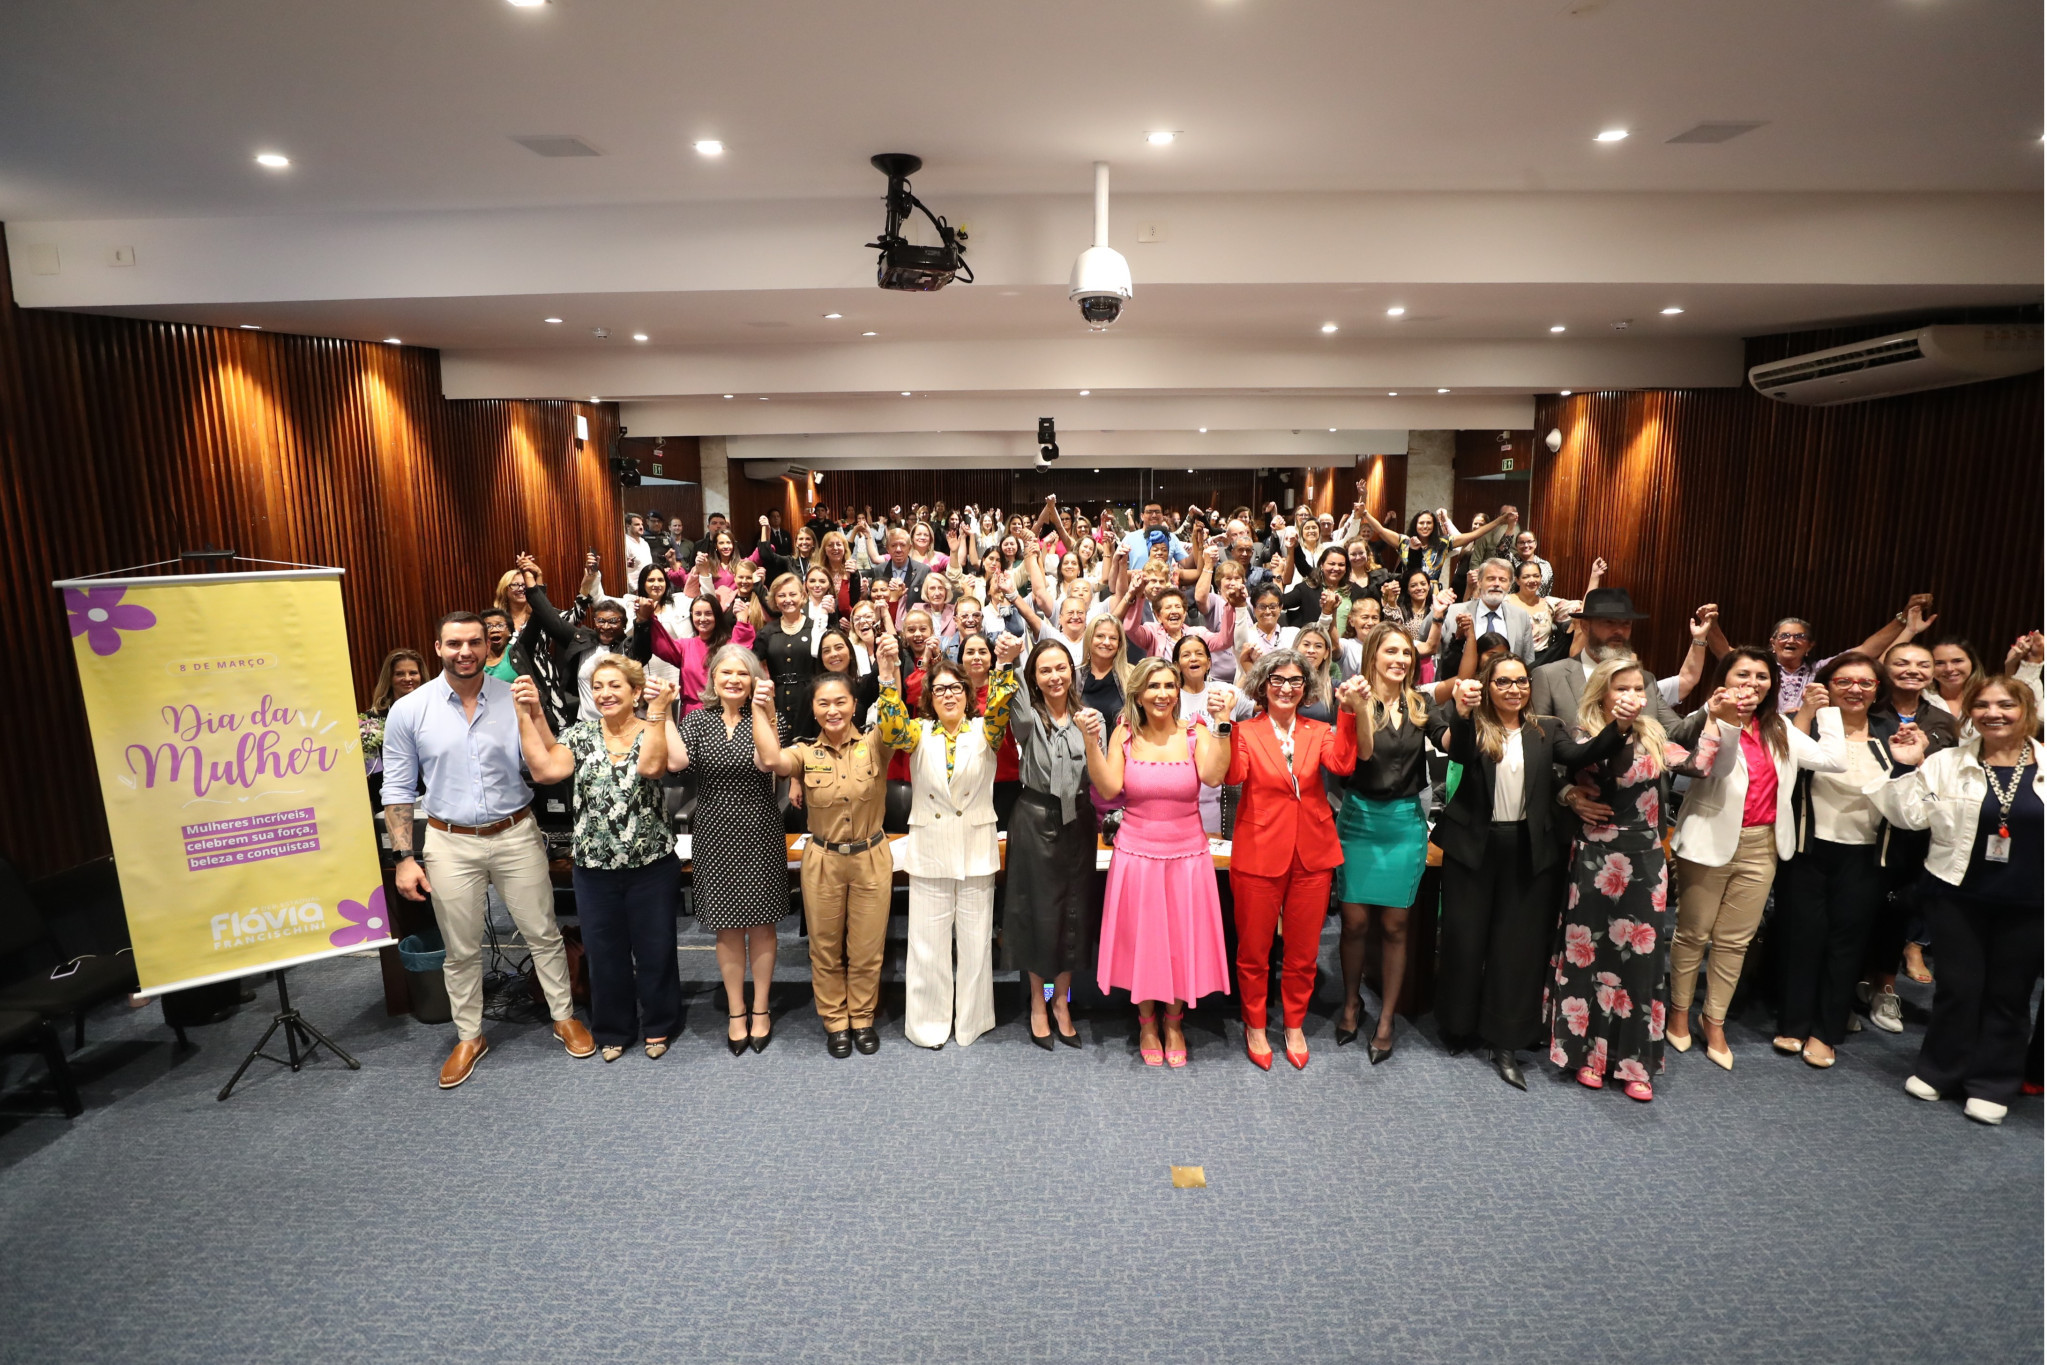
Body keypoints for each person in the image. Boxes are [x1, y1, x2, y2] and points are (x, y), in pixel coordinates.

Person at [380, 613, 594, 1088]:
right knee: (460, 949)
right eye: (454, 643)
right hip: (448, 840)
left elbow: (547, 764)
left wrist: (535, 713)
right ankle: (470, 1035)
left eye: (474, 642)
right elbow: (396, 789)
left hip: (515, 832)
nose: (465, 651)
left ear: (486, 645)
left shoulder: (513, 696)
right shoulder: (410, 710)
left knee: (543, 931)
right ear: (437, 648)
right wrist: (404, 857)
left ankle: (563, 1016)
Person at [1549, 658, 1727, 1101]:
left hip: (1646, 860)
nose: (1631, 695)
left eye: (1637, 689)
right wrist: (1620, 727)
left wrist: (1715, 717)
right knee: (1588, 955)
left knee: (1640, 961)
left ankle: (1634, 1063)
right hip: (1595, 856)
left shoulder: (1653, 732)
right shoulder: (1583, 733)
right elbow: (1607, 765)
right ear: (1602, 694)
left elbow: (1699, 766)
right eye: (1620, 688)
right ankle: (1586, 1055)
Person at [1875, 675, 2045, 1125]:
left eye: (2006, 704)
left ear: (2027, 709)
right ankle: (1940, 1069)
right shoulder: (1947, 763)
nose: (1994, 713)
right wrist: (1907, 766)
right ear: (1970, 712)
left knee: (2009, 995)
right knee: (1958, 989)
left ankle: (1992, 1083)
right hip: (1956, 895)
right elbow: (1906, 816)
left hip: (2030, 903)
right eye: (1983, 705)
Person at [1666, 648, 1846, 1069]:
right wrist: (1726, 719)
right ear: (1724, 679)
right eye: (1742, 674)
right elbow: (1716, 767)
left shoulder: (1778, 726)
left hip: (1762, 845)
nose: (1752, 683)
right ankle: (1677, 1012)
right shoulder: (1707, 719)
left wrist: (1827, 711)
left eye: (1761, 676)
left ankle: (1714, 1020)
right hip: (1707, 842)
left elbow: (1833, 760)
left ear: (1773, 683)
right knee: (1693, 933)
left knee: (1734, 941)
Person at [510, 660, 682, 1063]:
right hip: (593, 867)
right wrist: (525, 714)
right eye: (598, 686)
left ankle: (659, 1023)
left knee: (656, 949)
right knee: (605, 953)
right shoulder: (581, 735)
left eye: (615, 685)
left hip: (651, 865)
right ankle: (613, 1028)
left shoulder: (651, 726)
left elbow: (654, 767)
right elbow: (546, 769)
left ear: (636, 692)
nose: (605, 693)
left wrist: (658, 713)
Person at [1430, 654, 1576, 1090]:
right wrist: (1461, 710)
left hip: (1528, 849)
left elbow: (1582, 754)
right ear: (1487, 687)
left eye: (1521, 682)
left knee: (1517, 948)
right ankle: (1459, 1025)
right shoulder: (1471, 725)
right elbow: (1456, 749)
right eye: (1503, 682)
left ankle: (1506, 1038)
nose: (1514, 689)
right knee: (1464, 938)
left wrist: (1622, 726)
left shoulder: (1546, 729)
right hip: (1473, 845)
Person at [1080, 658, 1234, 1068]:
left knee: (1181, 942)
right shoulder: (1124, 736)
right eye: (1153, 687)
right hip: (1136, 855)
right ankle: (1146, 1021)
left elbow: (1216, 776)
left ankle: (1174, 1021)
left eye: (1169, 685)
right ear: (1139, 695)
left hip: (1187, 855)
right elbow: (1110, 786)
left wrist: (1224, 723)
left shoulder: (1195, 732)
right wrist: (1090, 742)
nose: (1163, 694)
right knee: (1144, 943)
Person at [874, 632, 1023, 1049]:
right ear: (929, 698)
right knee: (927, 945)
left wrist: (1006, 665)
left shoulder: (985, 731)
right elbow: (890, 727)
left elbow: (999, 705)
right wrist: (888, 677)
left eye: (955, 687)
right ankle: (928, 1024)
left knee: (975, 946)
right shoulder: (917, 732)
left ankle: (972, 1022)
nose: (948, 694)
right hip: (931, 850)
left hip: (975, 850)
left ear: (967, 691)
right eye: (939, 689)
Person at [1227, 650, 1364, 1070]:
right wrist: (1226, 726)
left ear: (1306, 688)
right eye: (1277, 680)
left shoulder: (1319, 729)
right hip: (1259, 851)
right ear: (1263, 686)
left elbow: (1342, 763)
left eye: (1295, 681)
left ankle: (1293, 1023)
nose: (1286, 688)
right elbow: (1232, 776)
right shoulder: (1246, 731)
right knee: (1254, 951)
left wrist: (1350, 714)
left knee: (1303, 951)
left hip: (1312, 853)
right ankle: (1254, 1024)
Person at [751, 670, 890, 1058]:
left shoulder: (876, 741)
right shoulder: (806, 752)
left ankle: (861, 1017)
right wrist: (762, 710)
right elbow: (772, 759)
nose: (833, 710)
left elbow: (899, 726)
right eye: (823, 703)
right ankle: (836, 1021)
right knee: (826, 949)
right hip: (824, 859)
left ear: (854, 705)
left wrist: (891, 675)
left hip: (870, 856)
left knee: (866, 948)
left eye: (841, 701)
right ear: (812, 709)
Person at [1772, 653, 1901, 1068]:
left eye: (1865, 682)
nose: (1855, 689)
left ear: (1877, 689)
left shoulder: (1892, 731)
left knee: (1846, 944)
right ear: (1827, 685)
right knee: (1803, 938)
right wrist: (1807, 713)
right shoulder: (1806, 723)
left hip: (1865, 855)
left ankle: (1825, 1031)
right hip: (1809, 850)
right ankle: (1793, 1023)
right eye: (1844, 681)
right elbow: (1784, 765)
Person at [677, 645, 789, 1055]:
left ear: (755, 679)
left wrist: (764, 711)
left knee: (761, 923)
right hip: (713, 829)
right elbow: (678, 767)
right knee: (727, 926)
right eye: (726, 673)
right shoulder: (696, 721)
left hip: (758, 826)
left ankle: (761, 1009)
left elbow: (769, 764)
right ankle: (736, 1011)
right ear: (713, 678)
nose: (734, 680)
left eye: (743, 673)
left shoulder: (771, 716)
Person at [1335, 623, 1433, 1062]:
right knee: (1354, 922)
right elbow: (1365, 755)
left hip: (1403, 826)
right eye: (1391, 651)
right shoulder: (1355, 700)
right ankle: (1352, 1001)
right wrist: (1357, 707)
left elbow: (1457, 706)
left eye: (1406, 653)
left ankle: (1388, 1017)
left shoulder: (1422, 703)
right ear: (1373, 655)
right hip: (1359, 822)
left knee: (1395, 926)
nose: (1400, 659)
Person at [1005, 638, 1100, 1049]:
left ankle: (1062, 999)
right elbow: (1018, 704)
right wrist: (1010, 662)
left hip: (1077, 822)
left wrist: (1094, 738)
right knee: (1038, 918)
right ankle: (1039, 1003)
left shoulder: (1089, 718)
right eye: (1044, 670)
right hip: (1036, 819)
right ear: (1034, 678)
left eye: (1061, 667)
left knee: (1072, 916)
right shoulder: (1028, 717)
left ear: (1072, 671)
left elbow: (1101, 773)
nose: (1054, 676)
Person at [1860, 641, 1960, 1026]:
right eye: (1901, 662)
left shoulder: (1941, 719)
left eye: (1922, 664)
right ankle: (1855, 980)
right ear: (1884, 668)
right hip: (1863, 824)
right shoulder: (1867, 709)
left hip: (1913, 830)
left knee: (1897, 910)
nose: (1911, 670)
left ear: (1932, 672)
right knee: (1860, 910)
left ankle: (1885, 989)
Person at [754, 572, 819, 744]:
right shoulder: (767, 632)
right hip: (778, 701)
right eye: (781, 595)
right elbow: (753, 666)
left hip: (810, 699)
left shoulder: (816, 628)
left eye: (792, 594)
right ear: (775, 600)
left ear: (803, 596)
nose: (787, 599)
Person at [360, 647, 426, 786]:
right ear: (389, 678)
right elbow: (371, 771)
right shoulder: (370, 721)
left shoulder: (435, 711)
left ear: (421, 676)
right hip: (388, 795)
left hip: (431, 795)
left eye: (413, 673)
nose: (408, 678)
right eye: (400, 673)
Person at [1923, 636, 1985, 724]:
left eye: (1957, 661)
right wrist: (1910, 631)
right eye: (1939, 663)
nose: (1949, 669)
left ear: (1972, 662)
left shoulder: (1988, 697)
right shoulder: (1922, 697)